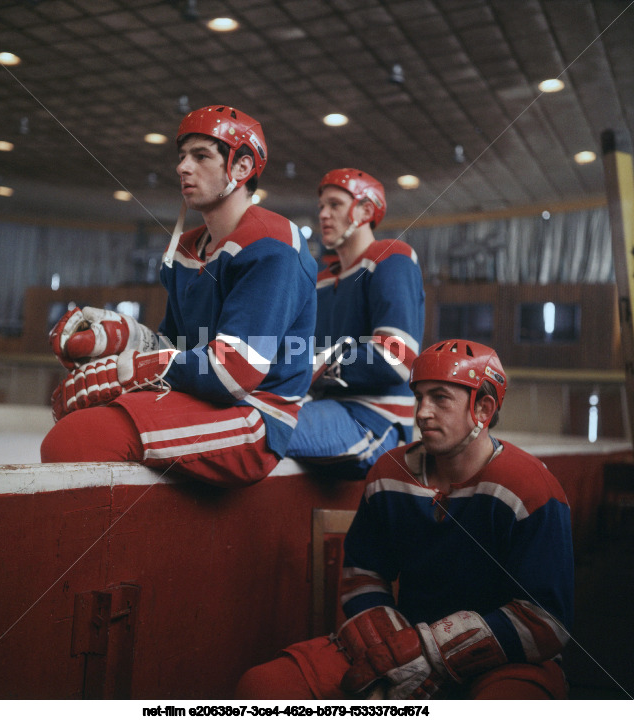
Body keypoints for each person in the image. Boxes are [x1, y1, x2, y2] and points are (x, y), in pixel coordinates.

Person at [237, 339, 574, 699]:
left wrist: (433, 652)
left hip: (504, 660)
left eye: (440, 398)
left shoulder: (531, 488)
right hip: (400, 640)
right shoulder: (390, 472)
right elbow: (363, 576)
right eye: (420, 397)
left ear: (483, 408)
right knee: (264, 687)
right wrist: (392, 659)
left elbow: (545, 621)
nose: (423, 413)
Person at [41, 105, 318, 487]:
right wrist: (121, 336)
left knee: (76, 440)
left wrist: (135, 370)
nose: (182, 167)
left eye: (201, 156)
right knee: (79, 426)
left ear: (241, 167)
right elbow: (179, 344)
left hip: (256, 414)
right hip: (210, 399)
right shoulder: (188, 247)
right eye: (182, 156)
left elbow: (231, 372)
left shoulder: (272, 244)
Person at [285, 168, 425, 478]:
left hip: (376, 421)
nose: (323, 214)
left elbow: (396, 358)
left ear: (365, 210)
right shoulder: (320, 280)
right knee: (251, 412)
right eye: (321, 206)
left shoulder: (391, 257)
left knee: (261, 423)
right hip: (325, 409)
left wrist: (317, 364)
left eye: (335, 204)